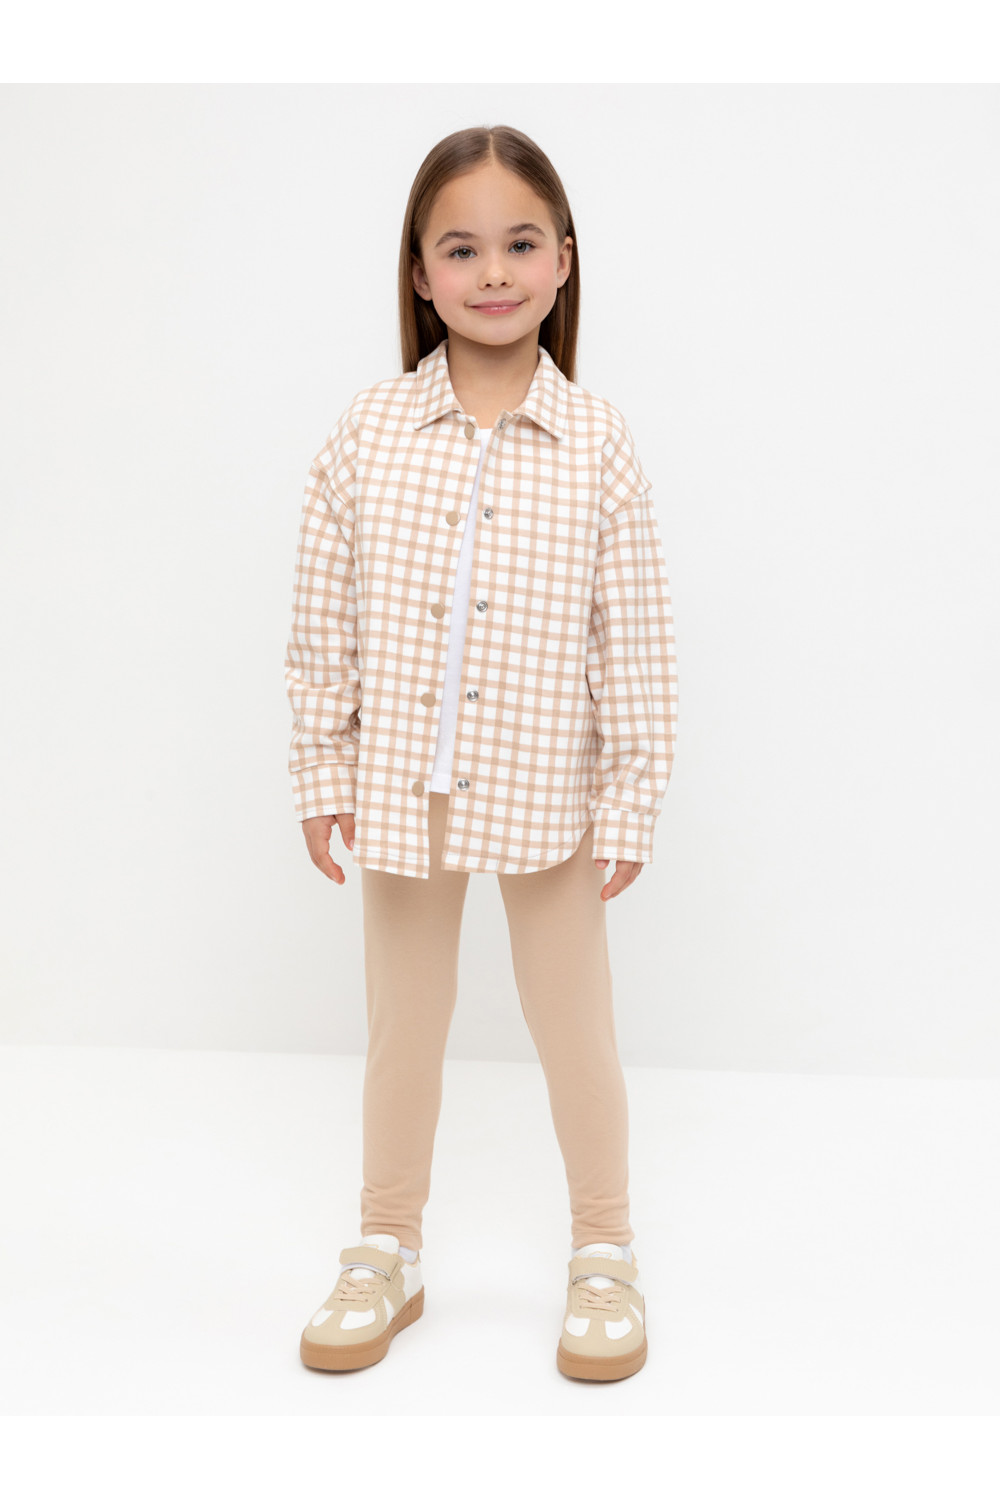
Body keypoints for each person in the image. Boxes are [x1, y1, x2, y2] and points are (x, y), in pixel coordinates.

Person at [284, 123, 678, 1383]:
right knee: (403, 1030)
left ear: (563, 260)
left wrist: (630, 798)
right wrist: (320, 771)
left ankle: (605, 1250)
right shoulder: (366, 432)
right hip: (403, 790)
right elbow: (321, 624)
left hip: (549, 796)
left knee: (576, 1033)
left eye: (519, 244)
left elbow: (634, 637)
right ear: (418, 271)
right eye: (460, 248)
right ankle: (385, 1247)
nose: (492, 272)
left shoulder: (598, 441)